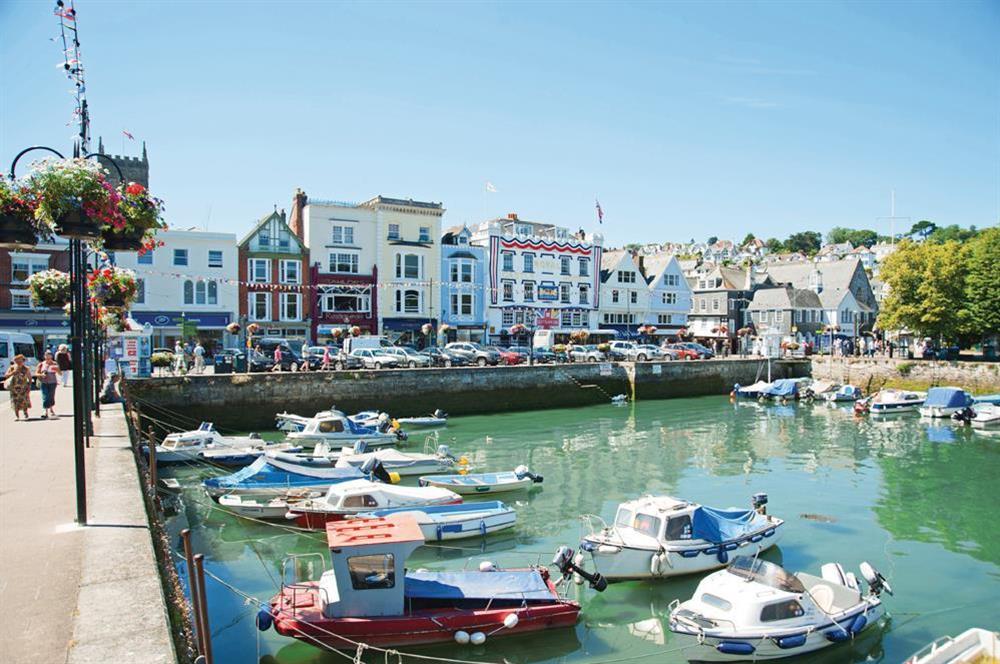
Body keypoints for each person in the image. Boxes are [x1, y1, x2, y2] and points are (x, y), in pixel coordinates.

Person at [3, 354, 33, 420]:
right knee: (15, 401)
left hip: (23, 388)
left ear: (23, 361)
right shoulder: (12, 368)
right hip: (14, 388)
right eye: (17, 361)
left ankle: (26, 414)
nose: (18, 362)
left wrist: (29, 386)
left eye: (20, 360)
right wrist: (13, 372)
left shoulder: (26, 368)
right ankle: (17, 416)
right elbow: (6, 375)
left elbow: (30, 378)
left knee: (24, 401)